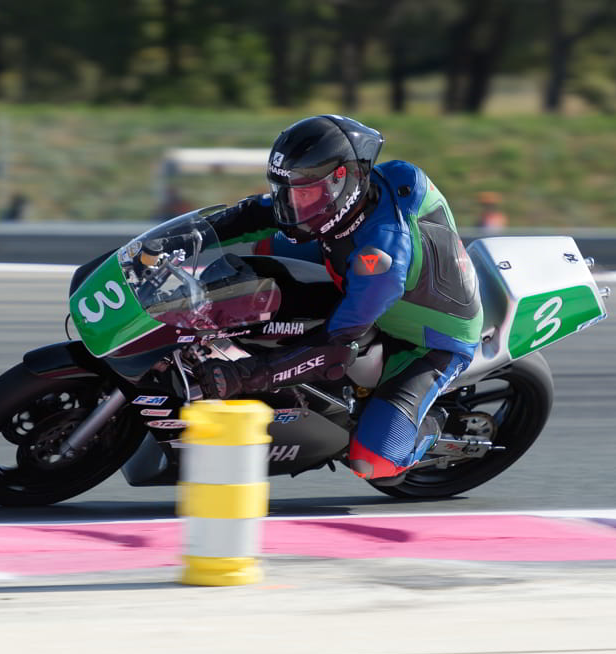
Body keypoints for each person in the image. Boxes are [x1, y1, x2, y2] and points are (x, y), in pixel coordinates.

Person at [198, 115, 483, 482]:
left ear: (343, 180)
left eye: (306, 193)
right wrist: (190, 236)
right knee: (266, 242)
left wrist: (247, 376)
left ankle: (431, 428)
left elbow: (335, 348)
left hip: (430, 341)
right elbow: (257, 213)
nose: (294, 203)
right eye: (288, 190)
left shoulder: (382, 259)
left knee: (372, 462)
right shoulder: (362, 192)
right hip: (359, 271)